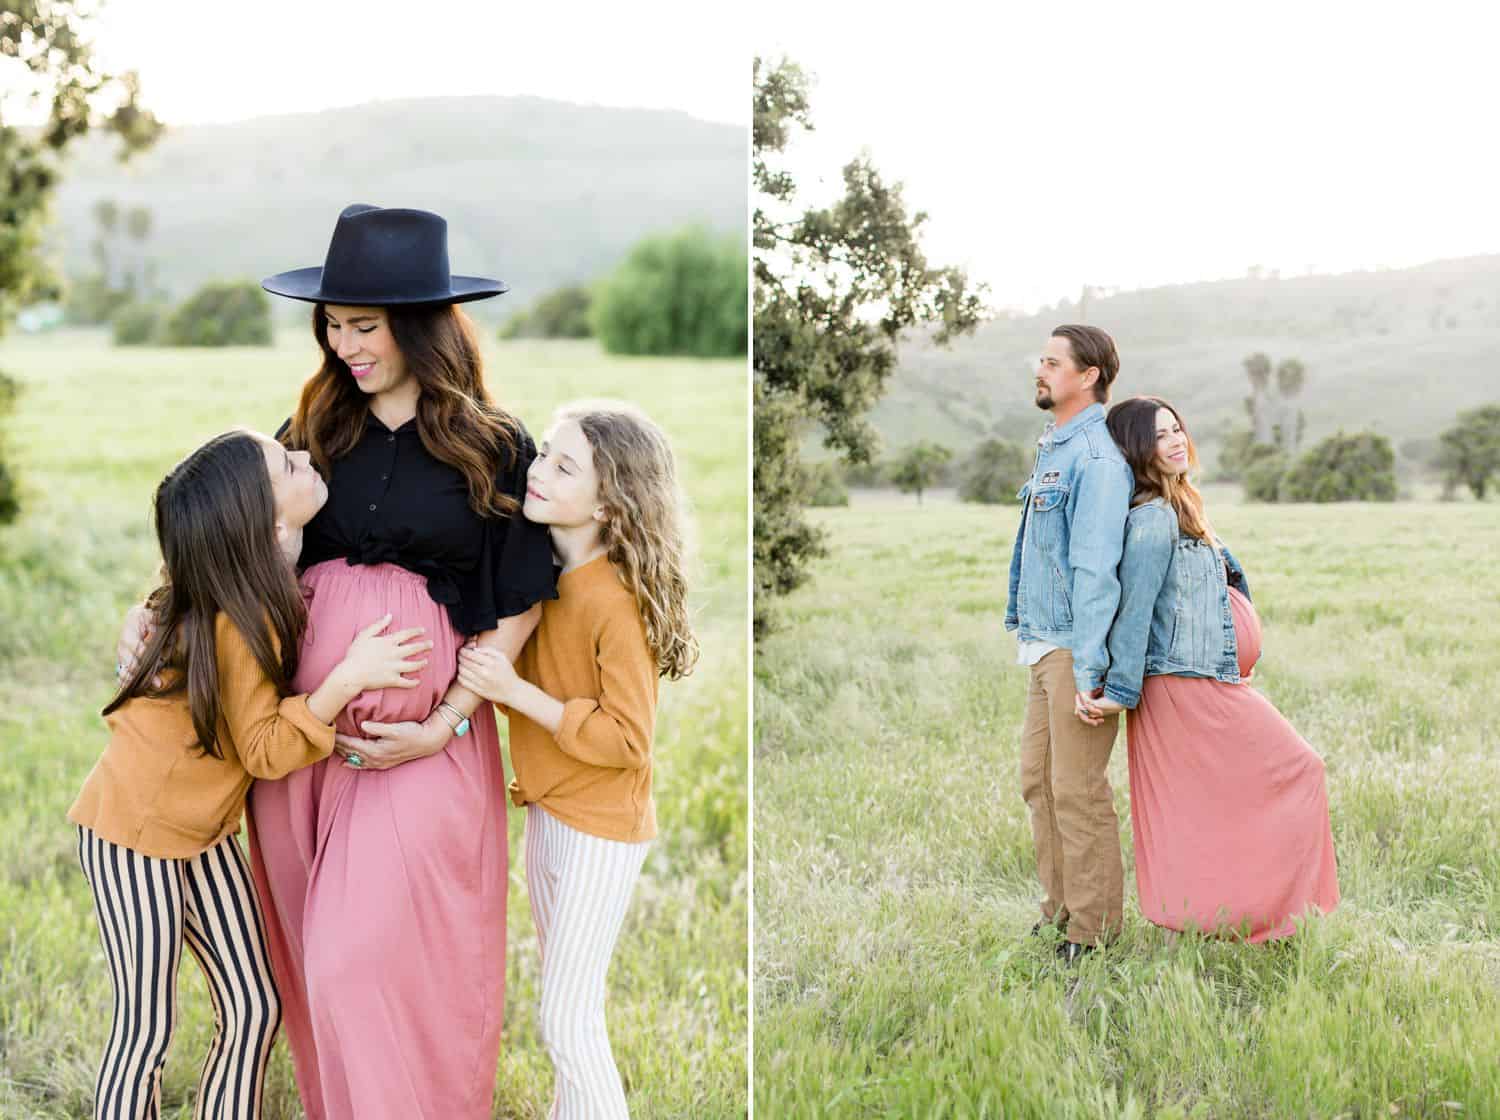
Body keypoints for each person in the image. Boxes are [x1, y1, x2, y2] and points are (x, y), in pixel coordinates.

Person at [121, 205, 558, 1118]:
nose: (343, 343)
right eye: (333, 323)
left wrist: (440, 728)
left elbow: (517, 601)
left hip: (416, 737)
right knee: (309, 958)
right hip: (299, 733)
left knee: (360, 957)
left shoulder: (494, 444)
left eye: (364, 325)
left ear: (420, 323)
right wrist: (159, 615)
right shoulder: (316, 424)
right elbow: (230, 533)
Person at [73, 429, 429, 1120]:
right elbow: (265, 748)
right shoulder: (243, 615)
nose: (308, 461)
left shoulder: (249, 584)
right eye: (290, 465)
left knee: (255, 1003)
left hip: (204, 833)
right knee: (145, 1028)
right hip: (131, 835)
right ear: (267, 522)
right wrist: (347, 680)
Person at [455, 402, 697, 1119]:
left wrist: (517, 692)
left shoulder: (614, 602)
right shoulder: (547, 582)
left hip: (600, 828)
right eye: (543, 455)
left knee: (567, 1019)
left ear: (612, 499)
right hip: (551, 810)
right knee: (567, 1014)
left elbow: (629, 741)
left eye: (565, 466)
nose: (537, 472)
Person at [1079, 396, 1339, 941]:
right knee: (1295, 769)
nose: (1175, 441)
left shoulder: (1184, 505)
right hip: (1183, 689)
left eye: (1177, 429)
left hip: (1210, 682)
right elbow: (1136, 611)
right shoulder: (1152, 520)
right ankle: (1229, 920)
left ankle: (1243, 918)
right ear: (1135, 448)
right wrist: (1119, 690)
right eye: (1159, 435)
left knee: (1217, 801)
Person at [1005, 324, 1134, 963]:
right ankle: (1057, 915)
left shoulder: (1097, 458)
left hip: (1072, 648)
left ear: (1088, 376)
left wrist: (1090, 666)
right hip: (1041, 641)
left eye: (1054, 363)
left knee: (1078, 790)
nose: (1042, 370)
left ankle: (1095, 933)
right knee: (1039, 781)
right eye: (1042, 361)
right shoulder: (1054, 447)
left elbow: (1094, 568)